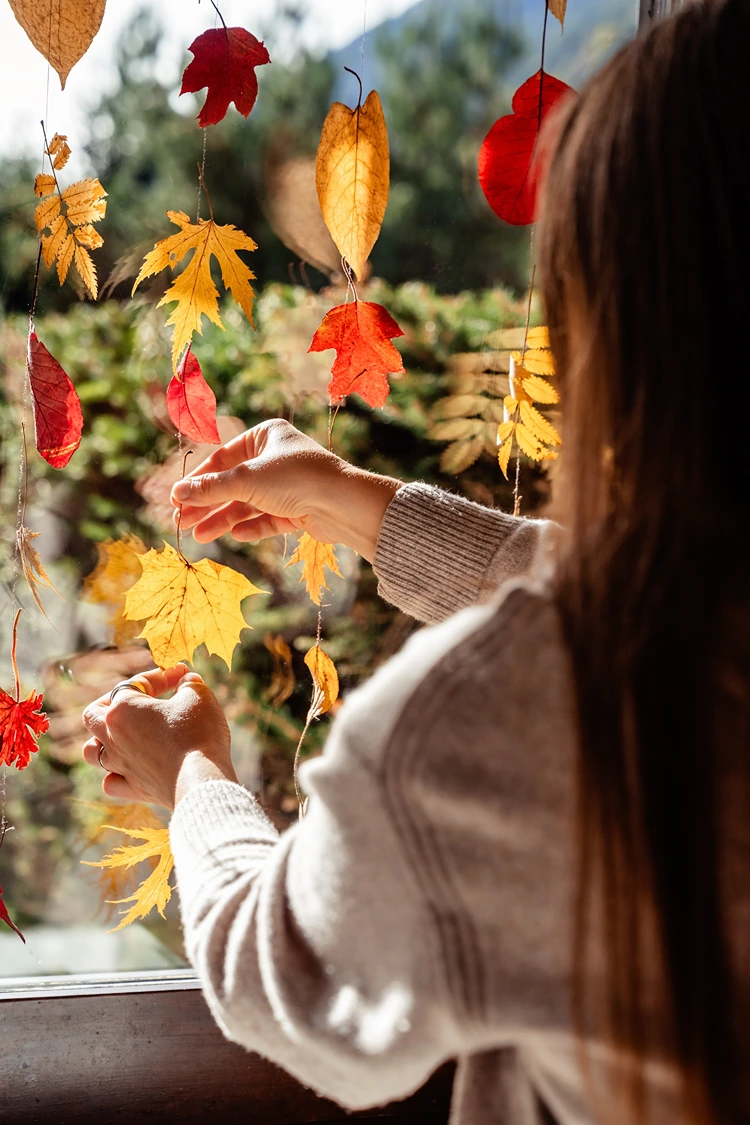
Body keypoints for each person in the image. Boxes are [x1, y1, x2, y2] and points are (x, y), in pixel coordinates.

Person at [81, 2, 750, 1122]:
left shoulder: (520, 716)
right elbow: (652, 597)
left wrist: (191, 776)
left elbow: (285, 973)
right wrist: (364, 508)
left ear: (626, 322)